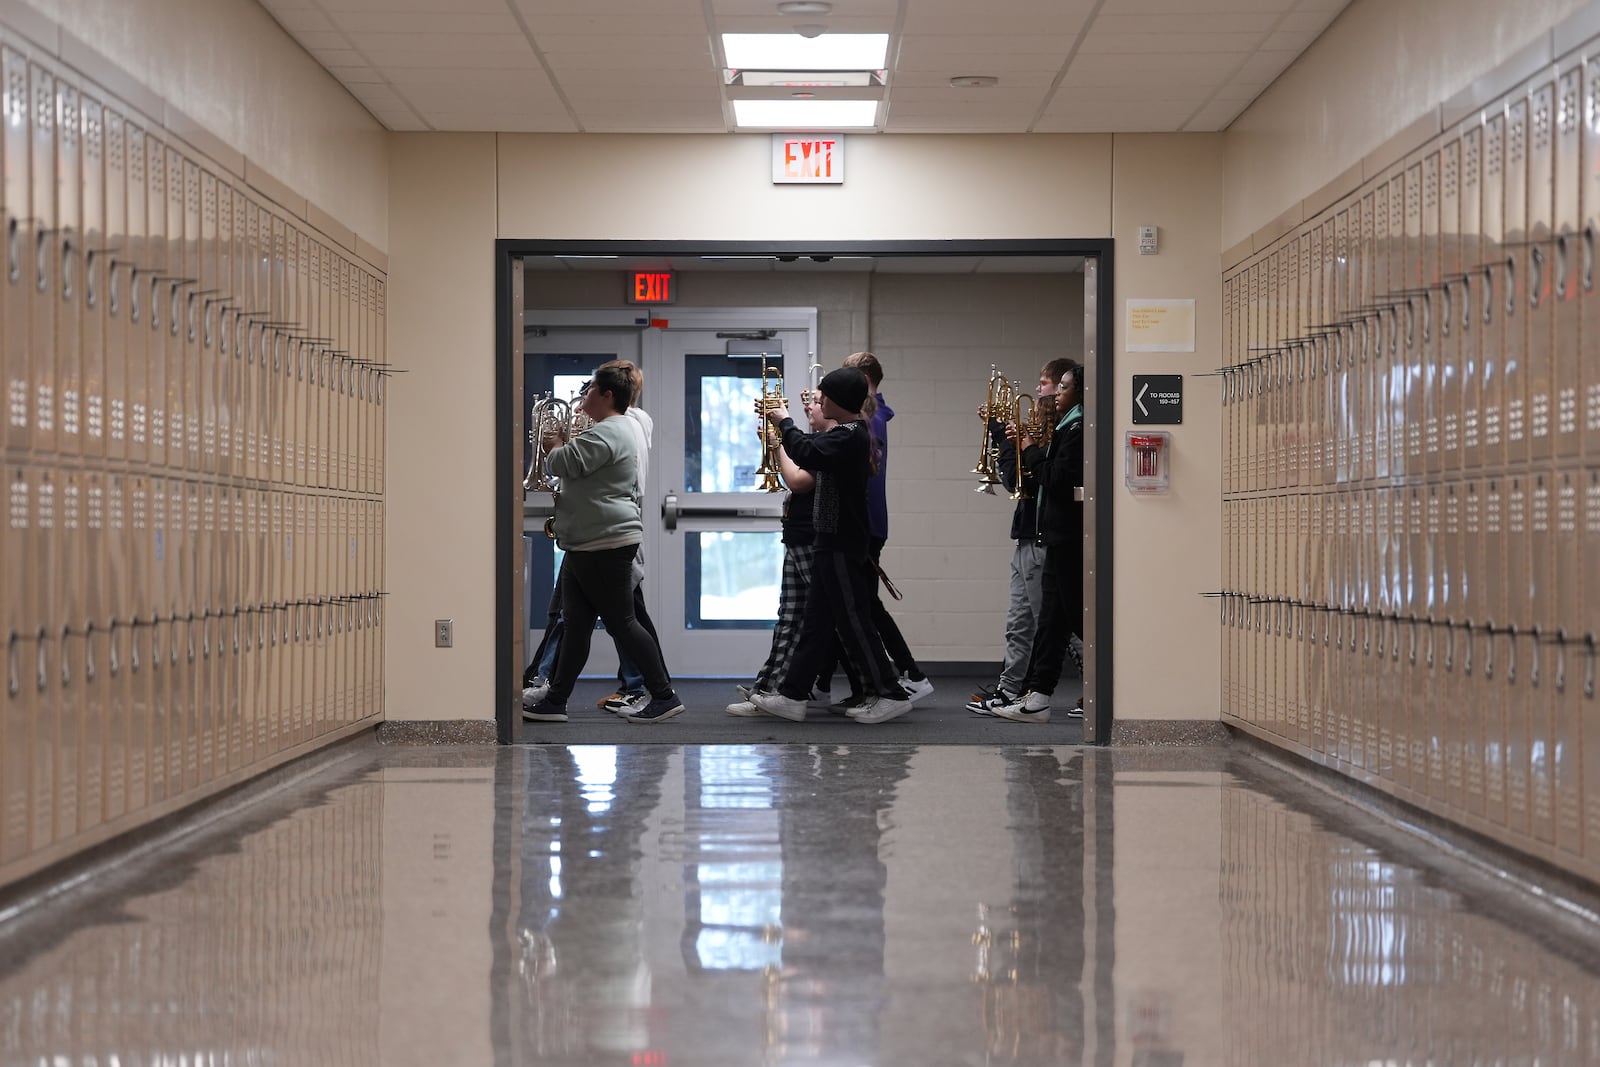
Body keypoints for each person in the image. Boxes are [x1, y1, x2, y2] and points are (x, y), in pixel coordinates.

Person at [521, 365, 685, 724]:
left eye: (591, 389)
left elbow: (566, 462)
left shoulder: (611, 430)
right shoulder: (612, 429)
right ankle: (556, 699)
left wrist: (552, 443)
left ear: (608, 395)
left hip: (606, 541)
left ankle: (663, 695)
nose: (584, 396)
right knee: (576, 623)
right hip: (587, 540)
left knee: (623, 622)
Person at [749, 368, 913, 725]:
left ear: (839, 401)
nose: (818, 401)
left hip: (840, 543)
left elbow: (806, 452)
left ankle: (891, 693)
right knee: (816, 622)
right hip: (830, 541)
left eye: (824, 396)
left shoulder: (851, 434)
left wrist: (784, 421)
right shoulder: (844, 432)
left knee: (854, 621)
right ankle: (792, 696)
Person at [817, 352, 933, 712]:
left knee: (863, 606)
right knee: (848, 606)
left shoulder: (870, 419)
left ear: (863, 380)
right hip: (863, 523)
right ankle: (836, 682)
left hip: (863, 524)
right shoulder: (872, 415)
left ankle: (910, 676)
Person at [968, 358, 1077, 715]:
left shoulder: (1059, 426)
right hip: (1030, 534)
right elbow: (1020, 481)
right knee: (1026, 623)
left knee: (1059, 624)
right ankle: (1014, 689)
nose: (1046, 389)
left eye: (1052, 383)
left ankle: (1089, 690)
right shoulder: (1051, 423)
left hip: (1044, 536)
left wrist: (1017, 442)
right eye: (1049, 384)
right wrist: (1004, 438)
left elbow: (1035, 479)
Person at [726, 391, 832, 716]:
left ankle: (879, 687)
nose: (808, 405)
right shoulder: (817, 439)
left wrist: (777, 442)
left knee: (820, 622)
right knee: (790, 617)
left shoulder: (832, 442)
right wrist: (778, 440)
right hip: (798, 534)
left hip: (809, 536)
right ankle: (767, 689)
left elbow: (799, 481)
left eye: (816, 401)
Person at [994, 360, 1086, 723]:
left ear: (1080, 391)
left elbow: (1056, 477)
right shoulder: (1069, 425)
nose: (1057, 393)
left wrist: (1030, 447)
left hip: (1065, 535)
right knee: (1051, 621)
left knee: (1074, 619)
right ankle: (1038, 697)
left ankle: (1109, 685)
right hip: (1053, 533)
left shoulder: (1077, 428)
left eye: (1063, 387)